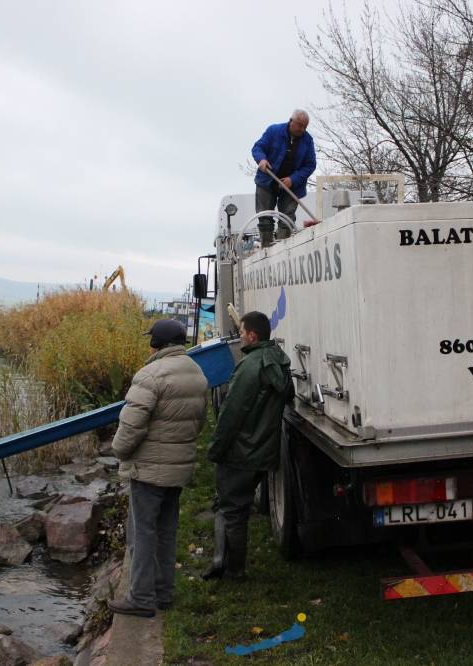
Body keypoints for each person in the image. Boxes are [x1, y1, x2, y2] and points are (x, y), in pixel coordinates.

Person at [108, 318, 208, 617]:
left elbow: (132, 423)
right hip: (177, 468)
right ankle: (163, 593)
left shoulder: (150, 374)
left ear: (157, 344)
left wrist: (119, 451)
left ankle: (140, 598)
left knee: (142, 532)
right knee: (166, 530)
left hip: (149, 469)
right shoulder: (197, 373)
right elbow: (199, 421)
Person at [202, 311, 293, 581]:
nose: (239, 337)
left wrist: (216, 449)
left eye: (241, 332)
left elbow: (231, 413)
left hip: (241, 452)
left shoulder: (250, 366)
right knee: (238, 508)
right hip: (262, 450)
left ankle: (234, 570)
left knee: (233, 512)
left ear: (252, 335)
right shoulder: (277, 360)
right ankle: (230, 565)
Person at [251, 109, 317, 247]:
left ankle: (283, 248)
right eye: (300, 125)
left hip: (293, 185)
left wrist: (293, 179)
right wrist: (261, 160)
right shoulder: (273, 131)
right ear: (291, 121)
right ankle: (266, 247)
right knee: (264, 217)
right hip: (267, 180)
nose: (302, 129)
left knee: (287, 218)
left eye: (305, 126)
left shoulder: (307, 141)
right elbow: (258, 148)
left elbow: (310, 165)